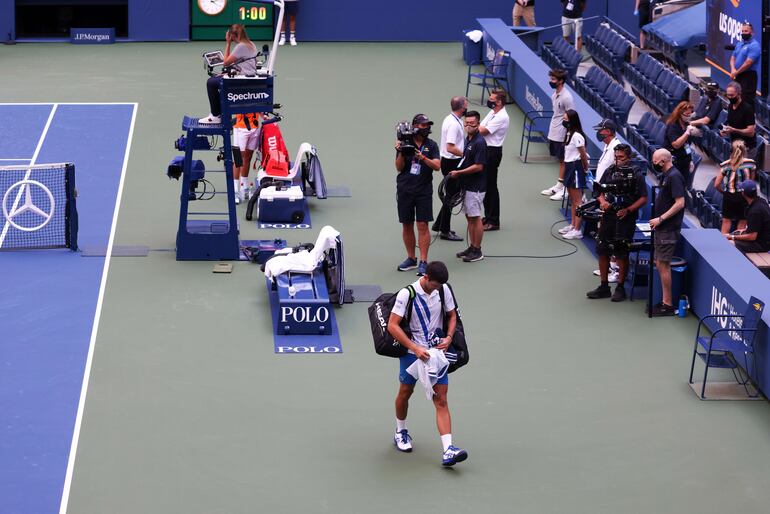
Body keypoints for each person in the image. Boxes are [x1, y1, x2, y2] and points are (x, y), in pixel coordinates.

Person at [387, 261, 468, 467]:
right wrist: (414, 348)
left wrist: (449, 337)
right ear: (426, 277)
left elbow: (452, 316)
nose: (437, 288)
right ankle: (400, 431)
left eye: (440, 286)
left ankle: (448, 450)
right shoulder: (407, 294)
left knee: (441, 399)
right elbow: (392, 326)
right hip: (411, 353)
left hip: (436, 355)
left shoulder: (444, 289)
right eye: (434, 285)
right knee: (405, 392)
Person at [586, 144, 648, 302]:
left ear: (629, 157)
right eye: (616, 157)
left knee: (621, 252)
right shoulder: (610, 170)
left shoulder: (636, 174)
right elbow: (598, 190)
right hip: (608, 215)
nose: (618, 160)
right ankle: (604, 286)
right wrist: (602, 202)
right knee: (602, 249)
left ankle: (620, 288)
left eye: (621, 157)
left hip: (625, 217)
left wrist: (628, 210)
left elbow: (643, 198)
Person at [394, 114, 441, 276]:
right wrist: (400, 152)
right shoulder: (405, 143)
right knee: (406, 224)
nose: (426, 128)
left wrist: (423, 157)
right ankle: (411, 258)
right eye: (423, 125)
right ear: (415, 127)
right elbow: (399, 167)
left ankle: (423, 261)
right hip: (405, 189)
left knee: (422, 225)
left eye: (428, 125)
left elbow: (437, 166)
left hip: (423, 191)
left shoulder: (432, 145)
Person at [648, 149, 686, 317]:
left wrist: (661, 219)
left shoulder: (674, 176)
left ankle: (668, 305)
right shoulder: (666, 176)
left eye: (655, 161)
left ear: (663, 161)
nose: (653, 163)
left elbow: (680, 203)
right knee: (660, 263)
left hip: (668, 229)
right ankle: (665, 301)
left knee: (663, 265)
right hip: (661, 228)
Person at [200, 25, 259, 124]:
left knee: (211, 82)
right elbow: (248, 64)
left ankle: (216, 115)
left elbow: (226, 63)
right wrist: (228, 72)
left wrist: (228, 43)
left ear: (232, 36)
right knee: (216, 79)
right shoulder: (251, 44)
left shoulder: (241, 46)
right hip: (247, 78)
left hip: (242, 81)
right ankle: (220, 114)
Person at [587, 119, 622, 283]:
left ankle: (615, 269)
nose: (599, 133)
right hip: (603, 195)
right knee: (604, 232)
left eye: (601, 130)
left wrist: (607, 196)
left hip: (610, 198)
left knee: (612, 233)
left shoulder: (617, 148)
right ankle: (608, 266)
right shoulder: (608, 147)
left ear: (608, 131)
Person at [449, 111, 487, 263]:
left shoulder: (480, 143)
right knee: (469, 217)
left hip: (476, 187)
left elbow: (479, 166)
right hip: (467, 185)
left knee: (475, 218)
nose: (469, 125)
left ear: (478, 124)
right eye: (467, 123)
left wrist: (459, 172)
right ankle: (472, 247)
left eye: (472, 123)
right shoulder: (468, 140)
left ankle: (477, 250)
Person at [434, 96, 468, 242]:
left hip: (448, 162)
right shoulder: (453, 124)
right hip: (452, 163)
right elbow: (450, 147)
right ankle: (445, 231)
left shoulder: (451, 119)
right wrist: (466, 155)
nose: (467, 108)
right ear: (462, 108)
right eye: (466, 106)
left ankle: (439, 224)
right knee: (451, 197)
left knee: (450, 195)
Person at [541, 69, 575, 200]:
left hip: (563, 133)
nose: (551, 81)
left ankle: (566, 189)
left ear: (561, 81)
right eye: (551, 79)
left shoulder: (567, 97)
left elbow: (571, 116)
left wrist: (568, 135)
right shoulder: (554, 94)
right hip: (554, 131)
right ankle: (559, 185)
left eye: (554, 79)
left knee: (565, 160)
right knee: (561, 160)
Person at [479, 89, 510, 231]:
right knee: (485, 185)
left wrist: (476, 127)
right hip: (487, 150)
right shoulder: (493, 112)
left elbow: (482, 131)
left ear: (499, 102)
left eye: (492, 99)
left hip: (493, 152)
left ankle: (494, 221)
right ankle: (488, 216)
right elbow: (481, 125)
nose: (489, 100)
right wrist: (478, 127)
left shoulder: (502, 117)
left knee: (490, 187)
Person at [559, 109, 590, 240]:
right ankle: (572, 225)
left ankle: (577, 230)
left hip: (576, 168)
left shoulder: (577, 136)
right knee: (573, 200)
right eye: (563, 119)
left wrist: (586, 168)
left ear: (572, 121)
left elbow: (583, 154)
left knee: (578, 201)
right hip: (569, 167)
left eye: (566, 119)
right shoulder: (569, 133)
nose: (564, 121)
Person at [716, 140, 756, 235]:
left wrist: (724, 192)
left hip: (729, 196)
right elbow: (751, 182)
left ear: (731, 151)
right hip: (744, 196)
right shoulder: (751, 163)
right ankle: (737, 242)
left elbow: (717, 184)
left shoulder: (725, 164)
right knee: (742, 222)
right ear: (744, 151)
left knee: (726, 221)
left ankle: (723, 241)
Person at [726, 180, 770, 254]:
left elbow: (752, 237)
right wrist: (745, 230)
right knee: (735, 233)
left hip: (761, 245)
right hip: (762, 238)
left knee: (728, 243)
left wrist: (732, 237)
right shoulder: (762, 201)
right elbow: (759, 225)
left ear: (743, 193)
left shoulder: (755, 211)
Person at [663, 101, 695, 188]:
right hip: (673, 161)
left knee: (683, 186)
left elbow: (687, 145)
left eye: (690, 114)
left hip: (684, 161)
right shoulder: (673, 126)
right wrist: (687, 133)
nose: (688, 116)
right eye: (686, 114)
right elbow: (676, 145)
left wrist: (690, 160)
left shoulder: (687, 125)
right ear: (680, 113)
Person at [721, 82, 757, 157]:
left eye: (732, 95)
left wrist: (734, 130)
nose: (730, 97)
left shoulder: (747, 109)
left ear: (739, 94)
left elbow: (751, 132)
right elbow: (731, 124)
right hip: (735, 146)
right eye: (728, 95)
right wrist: (725, 131)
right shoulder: (730, 106)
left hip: (747, 148)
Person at [232, 112, 261, 204]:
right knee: (238, 159)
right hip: (240, 128)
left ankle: (244, 187)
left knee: (248, 157)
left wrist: (264, 115)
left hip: (254, 127)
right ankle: (235, 190)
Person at [730, 22, 760, 108]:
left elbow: (748, 63)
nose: (743, 33)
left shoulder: (755, 46)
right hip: (738, 75)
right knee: (736, 97)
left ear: (752, 33)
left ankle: (748, 117)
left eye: (746, 31)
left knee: (746, 100)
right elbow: (732, 57)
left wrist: (736, 73)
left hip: (748, 76)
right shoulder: (740, 44)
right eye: (742, 31)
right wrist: (733, 69)